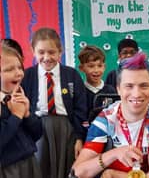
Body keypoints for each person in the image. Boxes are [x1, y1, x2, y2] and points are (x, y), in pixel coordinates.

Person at [72, 52, 149, 178]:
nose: (136, 94)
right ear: (118, 89)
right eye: (129, 86)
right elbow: (77, 172)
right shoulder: (106, 119)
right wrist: (113, 154)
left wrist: (114, 174)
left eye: (144, 86)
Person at [21, 27, 88, 178]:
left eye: (51, 52)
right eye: (41, 52)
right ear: (33, 51)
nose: (47, 57)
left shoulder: (71, 75)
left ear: (60, 52)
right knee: (40, 169)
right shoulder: (28, 76)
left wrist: (79, 138)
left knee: (67, 169)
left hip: (67, 129)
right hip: (37, 130)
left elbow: (80, 109)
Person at [0, 42, 42, 178]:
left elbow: (36, 134)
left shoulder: (18, 97)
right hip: (8, 169)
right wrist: (16, 116)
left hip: (30, 163)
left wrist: (27, 114)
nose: (18, 73)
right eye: (9, 69)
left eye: (20, 67)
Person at [78, 45, 116, 123]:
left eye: (100, 66)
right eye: (91, 66)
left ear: (104, 67)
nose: (96, 70)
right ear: (81, 68)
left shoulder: (111, 91)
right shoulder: (79, 92)